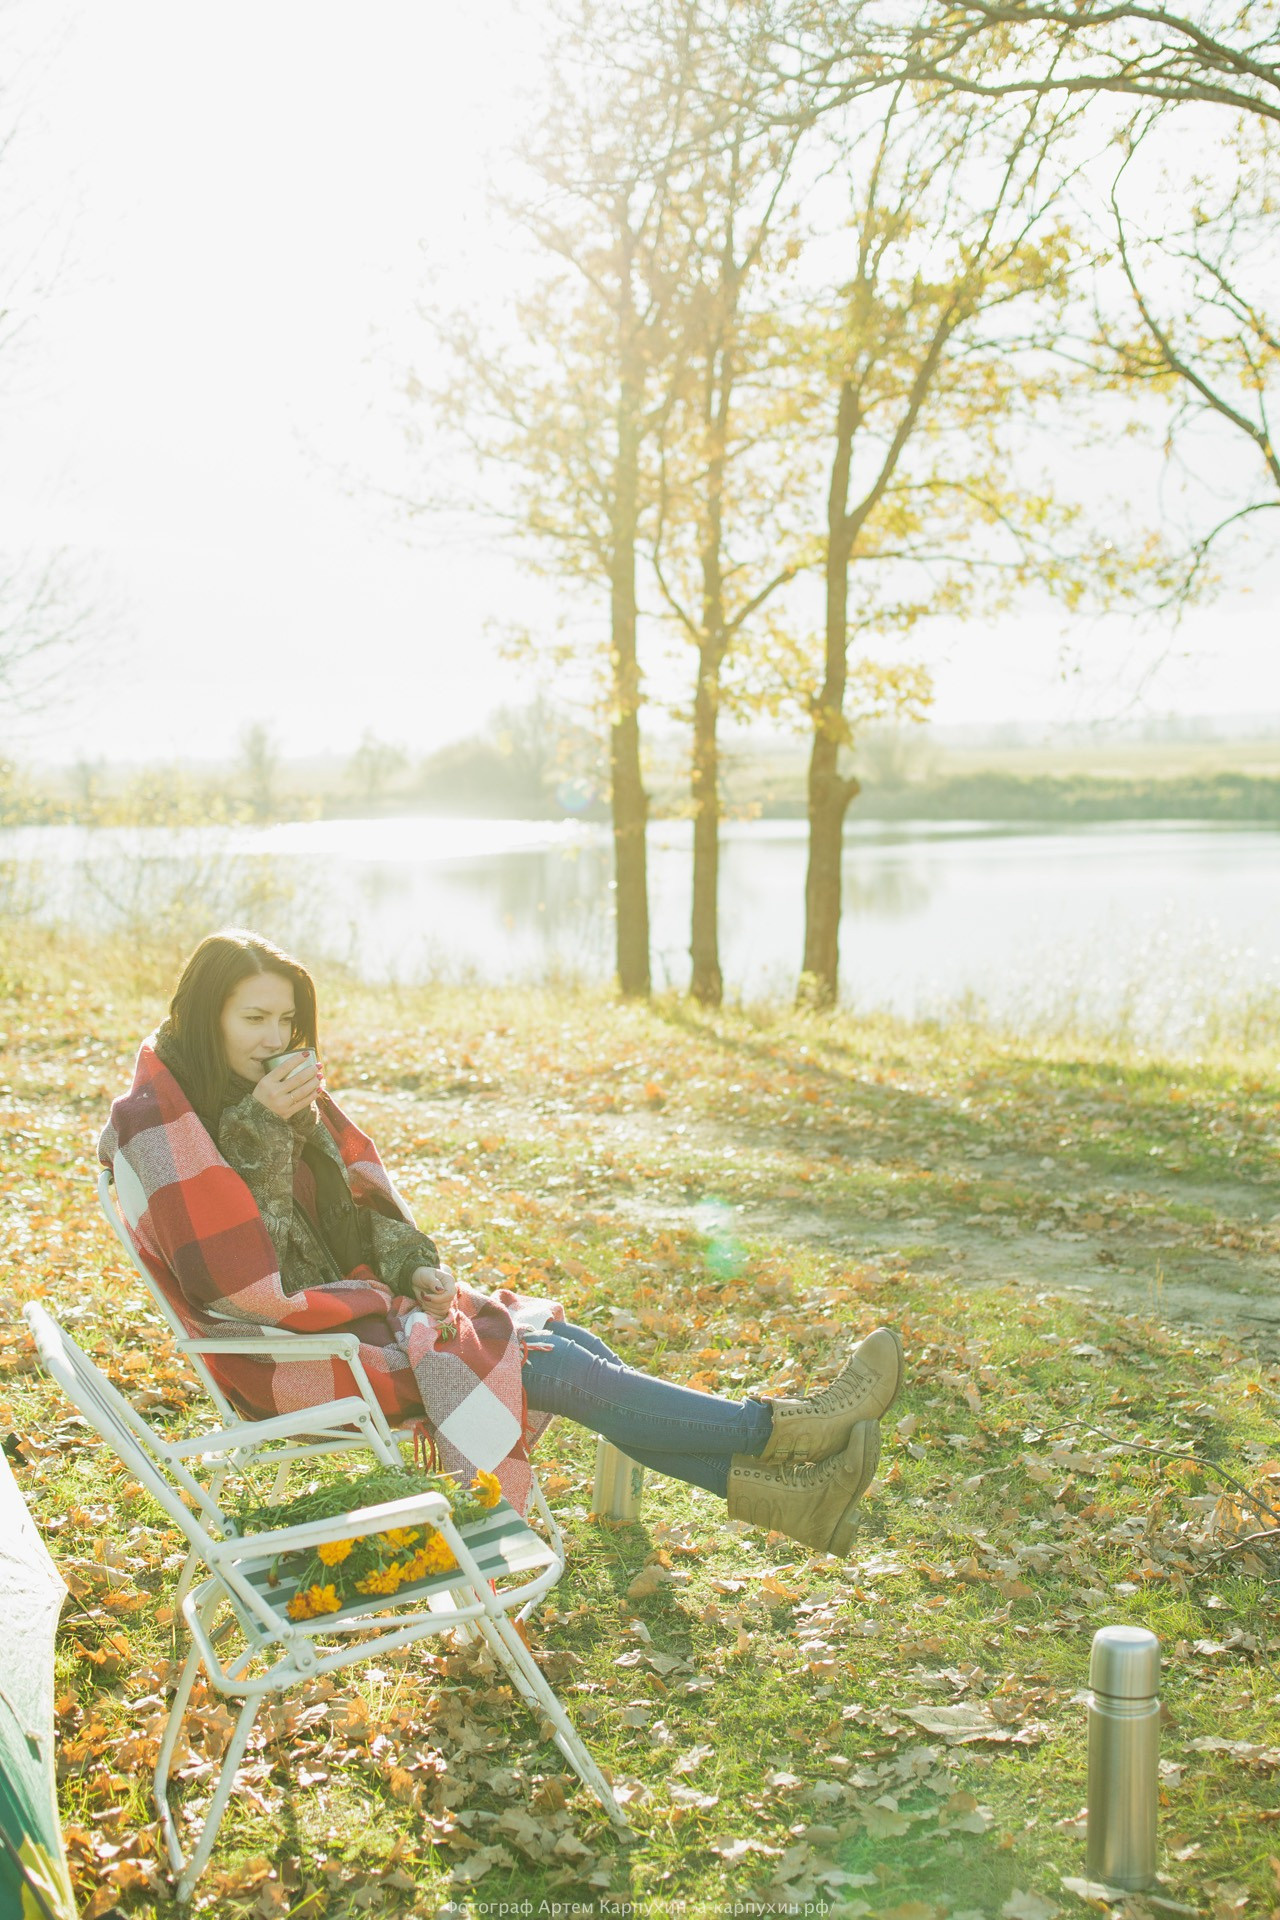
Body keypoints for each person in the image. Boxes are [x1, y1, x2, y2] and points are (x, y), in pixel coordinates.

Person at [100, 929, 904, 1555]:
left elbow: (348, 1214)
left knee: (565, 1342)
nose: (276, 1038)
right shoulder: (165, 1124)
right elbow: (245, 1279)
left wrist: (415, 1266)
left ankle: (791, 1497)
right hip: (291, 1355)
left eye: (288, 1020)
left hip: (348, 1317)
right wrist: (264, 1132)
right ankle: (781, 1430)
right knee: (551, 1364)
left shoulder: (260, 1092)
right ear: (208, 1016)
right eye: (255, 1018)